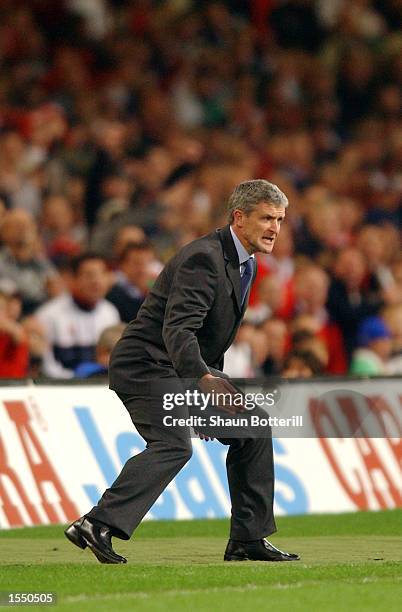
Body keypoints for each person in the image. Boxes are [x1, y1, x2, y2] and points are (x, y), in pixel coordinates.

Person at [65, 179, 300, 564]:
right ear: (239, 218)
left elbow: (212, 338)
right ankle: (97, 524)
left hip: (180, 369)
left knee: (253, 426)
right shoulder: (204, 258)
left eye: (280, 219)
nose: (275, 227)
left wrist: (205, 389)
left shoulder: (247, 262)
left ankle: (248, 538)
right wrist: (202, 383)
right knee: (173, 444)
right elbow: (179, 328)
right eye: (266, 218)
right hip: (146, 365)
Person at [35, 253, 120, 378]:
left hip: (102, 387)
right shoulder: (49, 315)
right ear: (72, 280)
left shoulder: (110, 312)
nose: (96, 281)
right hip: (61, 389)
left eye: (102, 274)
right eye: (89, 275)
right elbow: (47, 368)